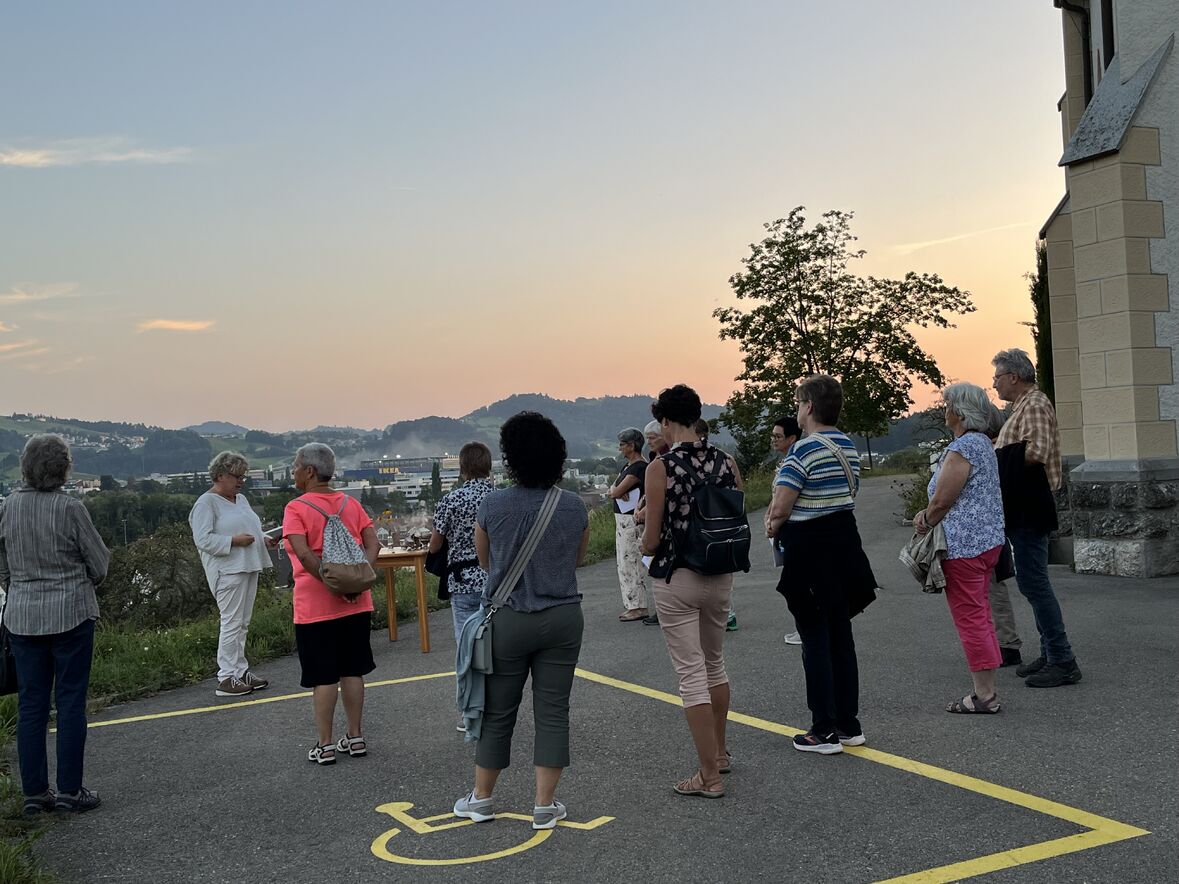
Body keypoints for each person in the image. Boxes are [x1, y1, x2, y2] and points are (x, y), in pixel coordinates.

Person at [453, 412, 589, 830]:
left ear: (510, 457)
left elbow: (485, 562)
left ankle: (481, 799)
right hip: (562, 616)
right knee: (553, 711)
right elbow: (578, 559)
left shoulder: (492, 504)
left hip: (508, 618)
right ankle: (544, 806)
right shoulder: (573, 505)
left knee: (497, 711)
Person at [642, 385, 743, 799]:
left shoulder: (661, 467)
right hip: (720, 571)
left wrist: (644, 532)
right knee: (715, 664)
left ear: (666, 421)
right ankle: (719, 753)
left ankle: (708, 776)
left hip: (678, 576)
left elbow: (652, 541)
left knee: (690, 674)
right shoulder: (726, 461)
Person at [767, 375, 877, 755]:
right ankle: (848, 724)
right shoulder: (847, 446)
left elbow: (780, 507)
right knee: (840, 636)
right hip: (845, 547)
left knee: (814, 638)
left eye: (799, 403)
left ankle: (823, 730)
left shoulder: (802, 450)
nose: (797, 409)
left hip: (810, 553)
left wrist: (772, 525)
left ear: (809, 406)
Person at [0, 434, 109, 814]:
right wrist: (80, 582)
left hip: (23, 617)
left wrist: (18, 586)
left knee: (31, 705)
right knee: (70, 702)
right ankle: (69, 792)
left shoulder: (8, 507)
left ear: (26, 466)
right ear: (63, 468)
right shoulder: (70, 508)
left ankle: (34, 794)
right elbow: (100, 563)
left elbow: (2, 562)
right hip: (71, 613)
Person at [283, 443, 382, 765]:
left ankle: (324, 745)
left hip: (316, 606)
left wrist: (331, 584)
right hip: (357, 604)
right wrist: (358, 579)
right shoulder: (351, 503)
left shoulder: (296, 508)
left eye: (296, 467)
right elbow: (373, 544)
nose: (293, 472)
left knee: (323, 676)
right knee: (353, 670)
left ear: (310, 471)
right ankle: (355, 736)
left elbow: (303, 553)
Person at [913, 383, 1007, 713]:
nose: (945, 410)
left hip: (964, 546)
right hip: (987, 541)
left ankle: (985, 696)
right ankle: (988, 687)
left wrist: (925, 519)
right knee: (981, 613)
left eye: (948, 404)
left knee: (971, 618)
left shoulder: (963, 448)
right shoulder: (982, 443)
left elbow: (943, 499)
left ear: (960, 412)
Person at [991, 348, 1081, 688]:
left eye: (997, 377)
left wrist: (997, 456)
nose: (995, 384)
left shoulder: (1035, 404)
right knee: (1032, 583)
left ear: (1014, 377)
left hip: (1030, 503)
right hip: (1023, 503)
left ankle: (1062, 659)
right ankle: (1050, 652)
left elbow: (1038, 451)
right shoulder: (1022, 406)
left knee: (1035, 584)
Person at [189, 451, 276, 697]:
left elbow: (249, 528)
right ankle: (226, 676)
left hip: (248, 564)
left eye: (242, 476)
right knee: (231, 622)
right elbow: (203, 539)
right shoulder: (205, 503)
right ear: (220, 476)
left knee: (242, 622)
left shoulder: (241, 499)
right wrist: (233, 541)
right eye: (236, 476)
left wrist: (264, 538)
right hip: (227, 570)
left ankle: (240, 669)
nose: (241, 481)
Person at [429, 441, 495, 731]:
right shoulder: (499, 498)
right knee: (497, 646)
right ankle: (497, 707)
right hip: (496, 580)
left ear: (463, 467)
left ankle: (471, 713)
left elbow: (435, 544)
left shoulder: (451, 500)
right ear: (488, 466)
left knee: (466, 648)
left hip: (463, 581)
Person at [765, 416, 803, 645]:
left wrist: (774, 523)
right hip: (783, 529)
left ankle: (805, 628)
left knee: (796, 581)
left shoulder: (794, 462)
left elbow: (786, 499)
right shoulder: (785, 462)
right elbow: (776, 495)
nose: (774, 440)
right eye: (773, 436)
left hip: (791, 529)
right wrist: (768, 515)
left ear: (792, 438)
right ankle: (802, 626)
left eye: (778, 436)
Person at [607, 428, 649, 622]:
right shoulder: (628, 466)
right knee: (624, 563)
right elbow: (614, 487)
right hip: (622, 521)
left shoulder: (639, 467)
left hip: (630, 522)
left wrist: (616, 490)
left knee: (631, 562)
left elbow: (615, 491)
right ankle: (633, 604)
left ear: (632, 446)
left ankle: (638, 606)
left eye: (622, 444)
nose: (620, 448)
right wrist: (616, 489)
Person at [636, 420, 672, 625]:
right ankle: (660, 608)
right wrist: (640, 505)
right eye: (647, 438)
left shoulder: (667, 459)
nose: (649, 442)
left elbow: (663, 492)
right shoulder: (653, 457)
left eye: (652, 438)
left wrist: (646, 509)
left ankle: (664, 609)